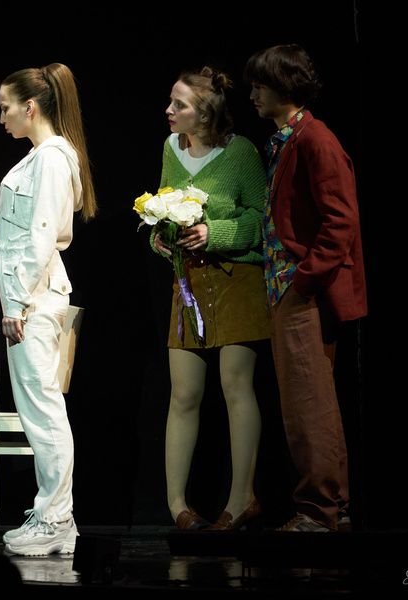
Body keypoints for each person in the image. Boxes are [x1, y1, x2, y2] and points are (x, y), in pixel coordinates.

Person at [0, 62, 96, 556]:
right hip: (29, 295)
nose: (1, 118)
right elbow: (30, 226)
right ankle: (51, 513)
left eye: (6, 108)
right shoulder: (40, 157)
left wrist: (17, 302)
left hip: (35, 298)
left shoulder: (53, 158)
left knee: (44, 410)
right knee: (38, 408)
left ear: (31, 106)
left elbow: (44, 234)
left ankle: (57, 518)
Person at [244, 44, 366, 532]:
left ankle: (319, 510)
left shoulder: (315, 139)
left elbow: (341, 221)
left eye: (259, 86)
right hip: (287, 289)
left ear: (283, 88)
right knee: (308, 403)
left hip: (305, 291)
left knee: (309, 404)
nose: (252, 95)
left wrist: (304, 279)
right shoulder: (286, 139)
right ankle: (331, 506)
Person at [150, 67, 269, 531]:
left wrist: (213, 232)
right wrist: (160, 238)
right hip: (189, 284)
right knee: (183, 393)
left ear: (204, 114)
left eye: (179, 105)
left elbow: (261, 219)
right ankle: (176, 504)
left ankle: (242, 500)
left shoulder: (240, 153)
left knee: (236, 386)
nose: (169, 110)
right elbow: (163, 207)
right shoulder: (171, 148)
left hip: (236, 279)